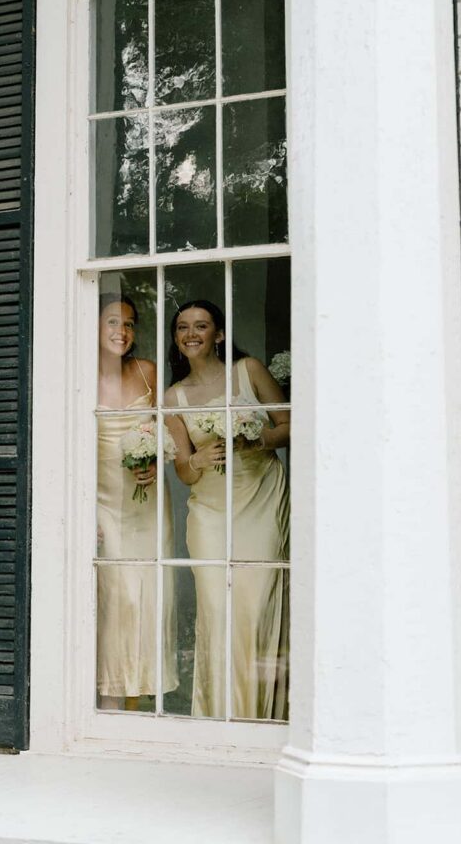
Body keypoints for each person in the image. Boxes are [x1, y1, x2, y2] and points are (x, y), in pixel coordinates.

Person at [164, 299, 289, 720]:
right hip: (210, 511)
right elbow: (183, 470)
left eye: (201, 326)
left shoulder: (248, 370)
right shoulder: (173, 396)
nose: (191, 334)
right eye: (183, 327)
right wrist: (195, 461)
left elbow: (291, 423)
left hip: (260, 496)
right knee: (217, 610)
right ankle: (219, 714)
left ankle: (259, 714)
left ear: (219, 334)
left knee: (254, 607)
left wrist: (261, 440)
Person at [96, 292, 178, 710]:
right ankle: (110, 694)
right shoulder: (81, 375)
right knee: (118, 597)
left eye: (128, 324)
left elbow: (170, 431)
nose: (122, 332)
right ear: (94, 326)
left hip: (147, 503)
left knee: (148, 594)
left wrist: (158, 457)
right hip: (104, 504)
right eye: (112, 322)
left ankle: (138, 695)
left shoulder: (147, 372)